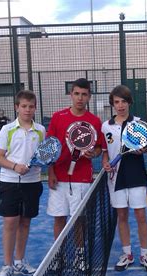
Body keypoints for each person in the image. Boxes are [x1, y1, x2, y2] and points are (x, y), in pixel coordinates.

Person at [0, 90, 46, 276]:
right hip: (9, 183)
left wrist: (38, 164)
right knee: (10, 222)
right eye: (24, 106)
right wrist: (15, 166)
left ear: (35, 108)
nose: (27, 110)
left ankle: (19, 262)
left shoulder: (40, 130)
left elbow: (42, 156)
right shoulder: (7, 130)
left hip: (32, 183)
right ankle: (6, 266)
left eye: (31, 106)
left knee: (25, 222)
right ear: (17, 107)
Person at [101, 85, 147, 272]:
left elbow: (146, 146)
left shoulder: (138, 123)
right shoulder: (106, 126)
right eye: (117, 102)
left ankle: (145, 254)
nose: (120, 105)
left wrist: (143, 150)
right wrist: (106, 162)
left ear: (129, 102)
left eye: (124, 101)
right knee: (121, 215)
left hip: (136, 175)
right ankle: (127, 254)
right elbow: (105, 153)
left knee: (140, 215)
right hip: (115, 179)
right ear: (112, 104)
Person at [46, 78, 103, 240]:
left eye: (84, 94)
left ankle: (79, 255)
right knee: (59, 218)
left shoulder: (94, 121)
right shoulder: (58, 117)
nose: (80, 98)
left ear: (89, 97)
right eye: (77, 94)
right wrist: (51, 173)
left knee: (79, 219)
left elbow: (98, 147)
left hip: (82, 178)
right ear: (71, 94)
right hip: (59, 177)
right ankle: (59, 255)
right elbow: (50, 148)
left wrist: (94, 153)